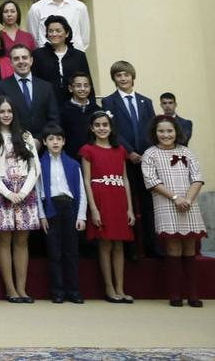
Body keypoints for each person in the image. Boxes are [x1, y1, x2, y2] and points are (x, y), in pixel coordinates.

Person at [141, 115, 207, 308]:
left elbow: (197, 178)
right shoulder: (150, 154)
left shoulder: (186, 152)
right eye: (161, 131)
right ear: (155, 133)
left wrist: (188, 199)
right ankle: (175, 294)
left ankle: (193, 294)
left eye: (169, 131)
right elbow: (152, 181)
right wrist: (176, 198)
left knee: (190, 248)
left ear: (176, 132)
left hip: (189, 203)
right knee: (173, 248)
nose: (166, 135)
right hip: (166, 203)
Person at [0, 97, 41, 302]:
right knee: (4, 240)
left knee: (22, 241)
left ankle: (22, 289)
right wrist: (7, 193)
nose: (6, 115)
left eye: (9, 111)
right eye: (2, 111)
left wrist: (23, 192)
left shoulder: (25, 135)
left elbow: (35, 167)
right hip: (0, 190)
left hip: (24, 190)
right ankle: (11, 289)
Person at [80, 108, 135, 302]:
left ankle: (120, 288)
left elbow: (125, 179)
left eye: (105, 125)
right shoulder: (88, 150)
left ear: (111, 127)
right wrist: (94, 209)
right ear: (92, 128)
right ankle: (109, 288)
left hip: (119, 198)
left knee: (119, 245)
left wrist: (130, 209)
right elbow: (86, 181)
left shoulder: (120, 150)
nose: (101, 128)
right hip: (101, 198)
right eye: (97, 125)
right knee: (105, 244)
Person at [105, 58, 157, 259]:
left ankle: (152, 246)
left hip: (146, 159)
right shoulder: (109, 102)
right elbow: (113, 130)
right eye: (118, 75)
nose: (123, 78)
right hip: (125, 159)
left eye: (126, 74)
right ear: (114, 79)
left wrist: (147, 153)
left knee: (147, 203)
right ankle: (131, 248)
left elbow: (152, 128)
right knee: (128, 204)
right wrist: (130, 152)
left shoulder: (146, 101)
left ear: (133, 77)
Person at [37, 123, 86, 304]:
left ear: (64, 141)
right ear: (44, 142)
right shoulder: (40, 165)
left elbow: (81, 192)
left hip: (70, 207)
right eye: (51, 139)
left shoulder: (73, 164)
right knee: (54, 252)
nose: (55, 142)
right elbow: (38, 192)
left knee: (71, 252)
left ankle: (74, 290)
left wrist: (81, 216)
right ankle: (57, 291)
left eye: (58, 139)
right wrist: (42, 215)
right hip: (51, 208)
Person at [0, 45, 60, 136]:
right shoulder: (1, 86)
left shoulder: (46, 87)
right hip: (14, 140)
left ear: (31, 60)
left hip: (42, 141)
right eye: (16, 59)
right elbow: (0, 117)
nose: (21, 61)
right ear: (11, 63)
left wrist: (39, 140)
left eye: (24, 57)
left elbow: (54, 118)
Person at [32, 14, 92, 93]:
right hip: (46, 99)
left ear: (67, 33)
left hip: (73, 99)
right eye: (50, 31)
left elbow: (87, 81)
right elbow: (34, 82)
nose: (54, 34)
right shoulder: (38, 55)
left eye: (58, 31)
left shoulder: (79, 56)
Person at [60, 71, 100, 160]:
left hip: (94, 156)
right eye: (78, 86)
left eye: (86, 86)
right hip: (71, 157)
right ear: (70, 88)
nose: (83, 89)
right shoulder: (63, 110)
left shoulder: (97, 110)